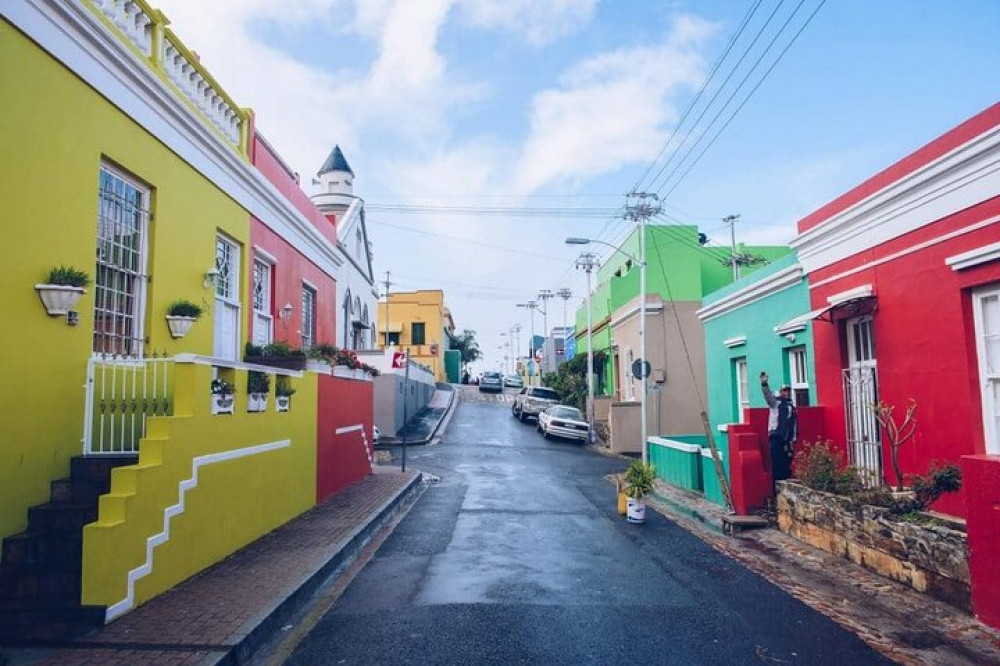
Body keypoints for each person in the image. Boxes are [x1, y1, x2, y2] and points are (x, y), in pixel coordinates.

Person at [760, 371, 797, 485]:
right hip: (776, 436)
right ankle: (776, 487)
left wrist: (793, 438)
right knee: (776, 462)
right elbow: (767, 395)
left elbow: (794, 423)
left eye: (788, 390)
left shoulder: (791, 406)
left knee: (787, 462)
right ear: (781, 392)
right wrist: (764, 384)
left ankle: (785, 485)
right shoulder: (775, 403)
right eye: (784, 390)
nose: (786, 393)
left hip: (787, 438)